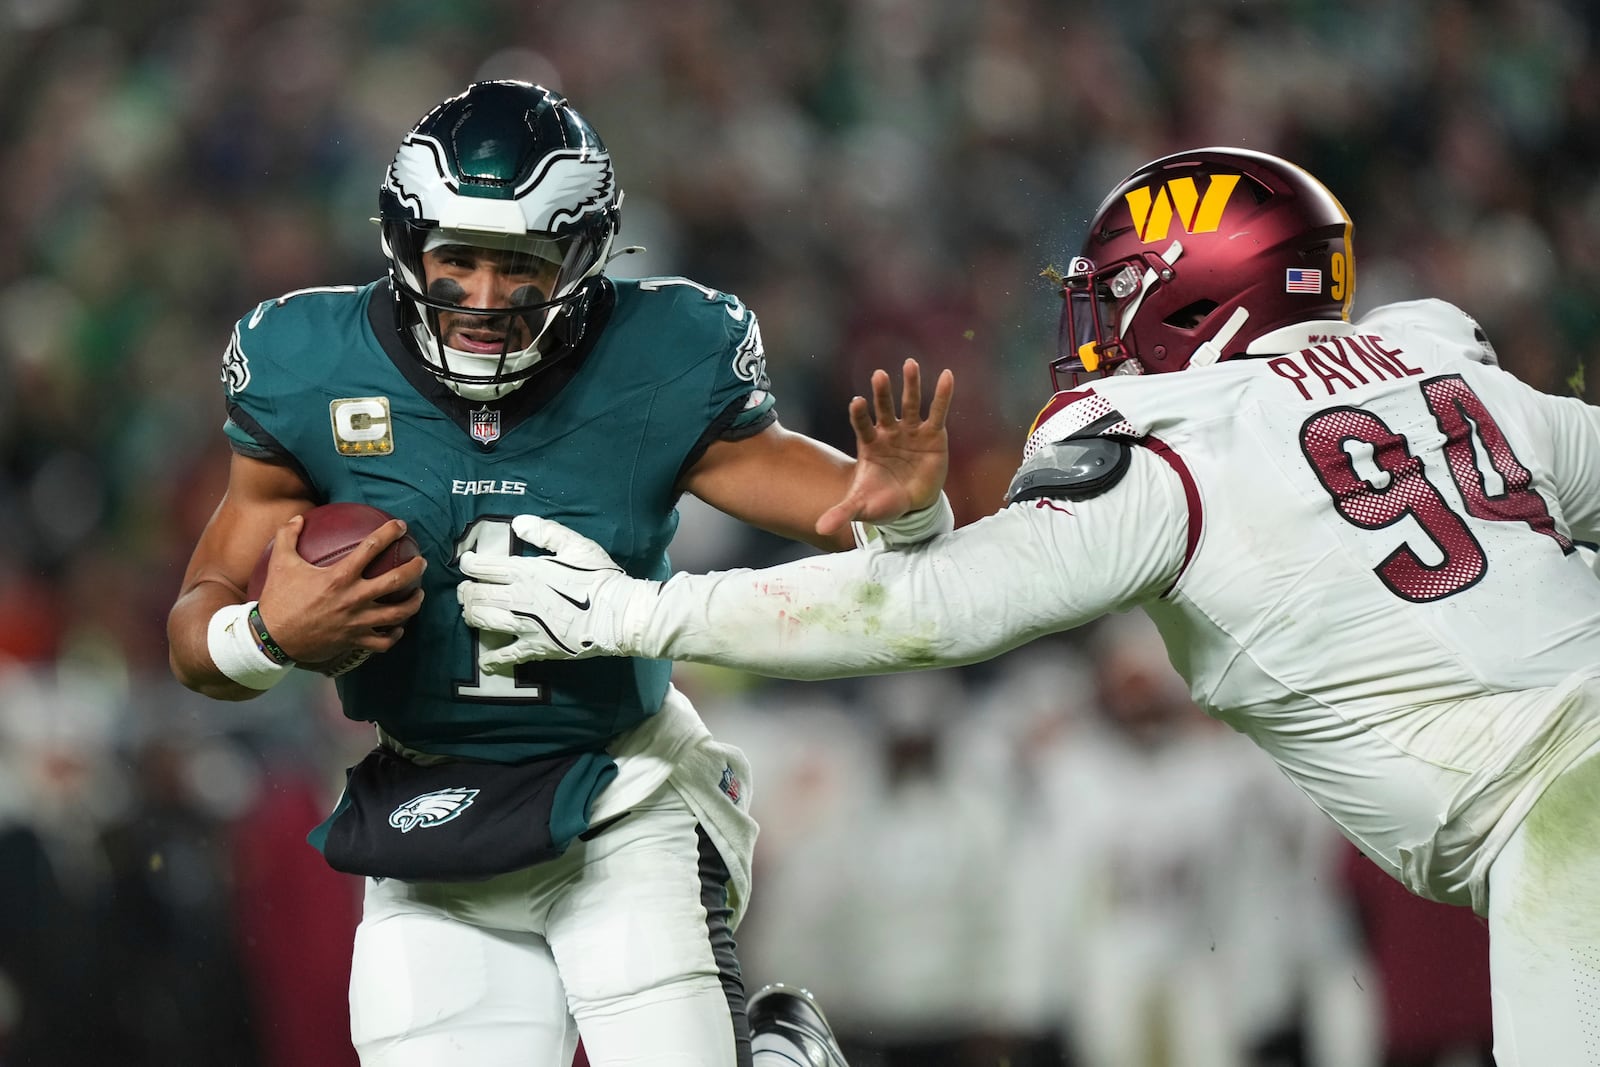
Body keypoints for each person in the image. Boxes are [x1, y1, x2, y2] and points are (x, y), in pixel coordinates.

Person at [458, 146, 1600, 1067]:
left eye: (1117, 296)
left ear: (1195, 296)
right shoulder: (1451, 370)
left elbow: (914, 610)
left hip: (1561, 813)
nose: (1092, 330)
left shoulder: (1171, 456)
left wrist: (626, 611)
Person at [166, 78, 950, 1067]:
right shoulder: (308, 368)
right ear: (407, 247)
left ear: (579, 259)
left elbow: (848, 508)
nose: (485, 300)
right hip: (429, 821)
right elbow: (193, 635)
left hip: (622, 797)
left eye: (519, 267)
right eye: (458, 261)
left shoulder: (655, 354)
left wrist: (902, 497)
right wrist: (268, 636)